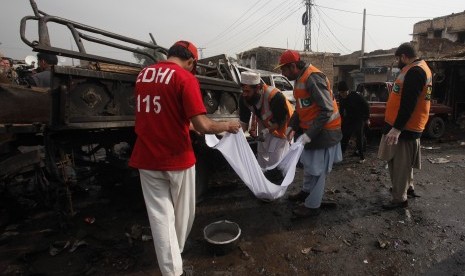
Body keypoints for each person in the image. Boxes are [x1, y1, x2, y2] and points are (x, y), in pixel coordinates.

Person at [129, 40, 241, 276]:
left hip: (147, 157)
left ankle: (173, 259)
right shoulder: (184, 78)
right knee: (184, 213)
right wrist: (227, 125)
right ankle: (174, 264)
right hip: (177, 158)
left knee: (161, 217)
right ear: (190, 61)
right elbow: (203, 124)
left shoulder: (143, 75)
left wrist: (187, 125)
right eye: (193, 66)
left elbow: (162, 113)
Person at [276, 50, 342, 218]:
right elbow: (300, 108)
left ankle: (313, 205)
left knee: (317, 170)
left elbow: (326, 109)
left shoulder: (312, 78)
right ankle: (306, 192)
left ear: (293, 66)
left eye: (284, 70)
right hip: (313, 131)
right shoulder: (300, 79)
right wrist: (292, 126)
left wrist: (309, 134)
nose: (282, 74)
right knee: (309, 165)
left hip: (325, 132)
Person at [378, 42, 430, 210]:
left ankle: (399, 199)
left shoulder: (414, 72)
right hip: (410, 126)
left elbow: (409, 103)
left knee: (399, 164)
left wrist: (397, 128)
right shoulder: (420, 68)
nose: (398, 62)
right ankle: (408, 187)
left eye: (398, 59)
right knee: (405, 162)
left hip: (405, 128)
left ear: (404, 57)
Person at [239, 71, 294, 168]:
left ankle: (277, 178)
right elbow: (244, 121)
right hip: (265, 125)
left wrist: (267, 131)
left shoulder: (275, 96)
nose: (244, 94)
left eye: (248, 91)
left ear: (258, 88)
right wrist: (238, 138)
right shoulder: (244, 98)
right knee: (261, 154)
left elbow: (281, 121)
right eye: (243, 90)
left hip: (282, 128)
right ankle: (263, 177)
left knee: (276, 159)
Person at [337, 80, 370, 163]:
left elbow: (366, 105)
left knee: (359, 137)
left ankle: (362, 157)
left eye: (343, 92)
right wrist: (342, 120)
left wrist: (367, 118)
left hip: (359, 118)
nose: (342, 94)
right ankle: (340, 156)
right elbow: (341, 109)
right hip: (349, 119)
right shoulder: (341, 97)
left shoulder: (356, 96)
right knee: (345, 137)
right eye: (340, 92)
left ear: (347, 90)